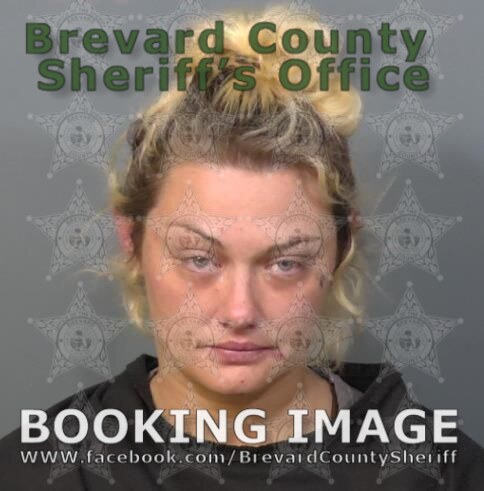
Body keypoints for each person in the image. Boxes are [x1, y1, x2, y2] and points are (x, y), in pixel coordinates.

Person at [1, 6, 483, 491]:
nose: (239, 311)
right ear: (132, 241)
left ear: (342, 248)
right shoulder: (36, 471)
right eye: (199, 259)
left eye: (286, 263)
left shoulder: (441, 472)